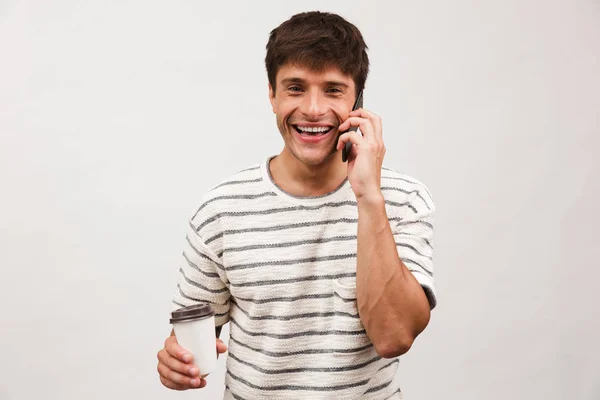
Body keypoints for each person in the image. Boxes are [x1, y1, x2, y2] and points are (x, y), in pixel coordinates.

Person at [156, 10, 436, 399]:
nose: (314, 109)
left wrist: (369, 197)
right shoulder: (221, 210)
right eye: (295, 88)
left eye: (334, 90)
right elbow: (188, 339)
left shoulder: (403, 200)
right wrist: (175, 362)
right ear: (272, 94)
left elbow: (394, 336)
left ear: (358, 99)